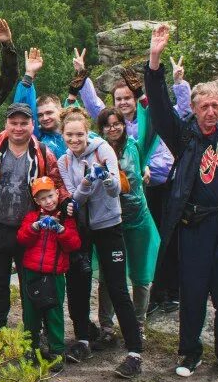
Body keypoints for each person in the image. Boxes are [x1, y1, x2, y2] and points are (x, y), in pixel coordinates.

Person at [146, 22, 218, 382]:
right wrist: (154, 59)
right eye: (204, 106)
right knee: (193, 293)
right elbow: (161, 108)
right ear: (194, 110)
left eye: (215, 105)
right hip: (194, 227)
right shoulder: (184, 136)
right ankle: (189, 352)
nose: (211, 111)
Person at [76, 48, 191, 315]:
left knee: (157, 246)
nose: (124, 102)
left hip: (160, 185)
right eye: (119, 98)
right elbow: (94, 107)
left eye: (128, 97)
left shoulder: (142, 130)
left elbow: (174, 112)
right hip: (118, 205)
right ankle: (111, 319)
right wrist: (82, 78)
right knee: (113, 266)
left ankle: (162, 296)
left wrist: (176, 83)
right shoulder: (105, 139)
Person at [58, 108, 146, 379]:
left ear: (88, 133)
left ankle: (134, 352)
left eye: (79, 134)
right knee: (78, 282)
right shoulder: (63, 162)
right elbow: (75, 199)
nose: (75, 140)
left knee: (118, 287)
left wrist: (106, 177)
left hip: (109, 225)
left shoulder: (102, 149)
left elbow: (115, 189)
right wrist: (87, 181)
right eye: (70, 135)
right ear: (63, 136)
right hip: (83, 228)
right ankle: (82, 339)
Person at [0, 102, 68, 332]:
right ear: (6, 124)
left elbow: (57, 183)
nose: (19, 128)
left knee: (29, 284)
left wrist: (65, 201)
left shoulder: (43, 152)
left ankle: (31, 333)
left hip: (30, 229)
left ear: (32, 125)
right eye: (14, 123)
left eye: (24, 123)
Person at [96, 107, 161, 339]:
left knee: (141, 276)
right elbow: (73, 129)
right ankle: (106, 326)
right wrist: (73, 95)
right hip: (111, 222)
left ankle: (138, 325)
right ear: (101, 128)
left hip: (138, 219)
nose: (112, 128)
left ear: (124, 124)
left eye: (117, 123)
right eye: (107, 124)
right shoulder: (96, 149)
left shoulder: (136, 147)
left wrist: (143, 98)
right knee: (109, 275)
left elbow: (152, 126)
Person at [16, 177, 80, 371]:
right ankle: (30, 348)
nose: (48, 201)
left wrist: (60, 230)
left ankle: (57, 351)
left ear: (57, 193)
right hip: (31, 273)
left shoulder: (67, 219)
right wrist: (35, 227)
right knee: (31, 314)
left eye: (50, 195)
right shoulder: (32, 217)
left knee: (54, 313)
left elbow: (74, 244)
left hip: (54, 274)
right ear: (37, 201)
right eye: (42, 198)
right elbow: (21, 239)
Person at [12, 47, 68, 158]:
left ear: (60, 111)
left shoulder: (75, 133)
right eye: (40, 115)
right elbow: (20, 109)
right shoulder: (38, 138)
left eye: (49, 112)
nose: (45, 118)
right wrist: (29, 74)